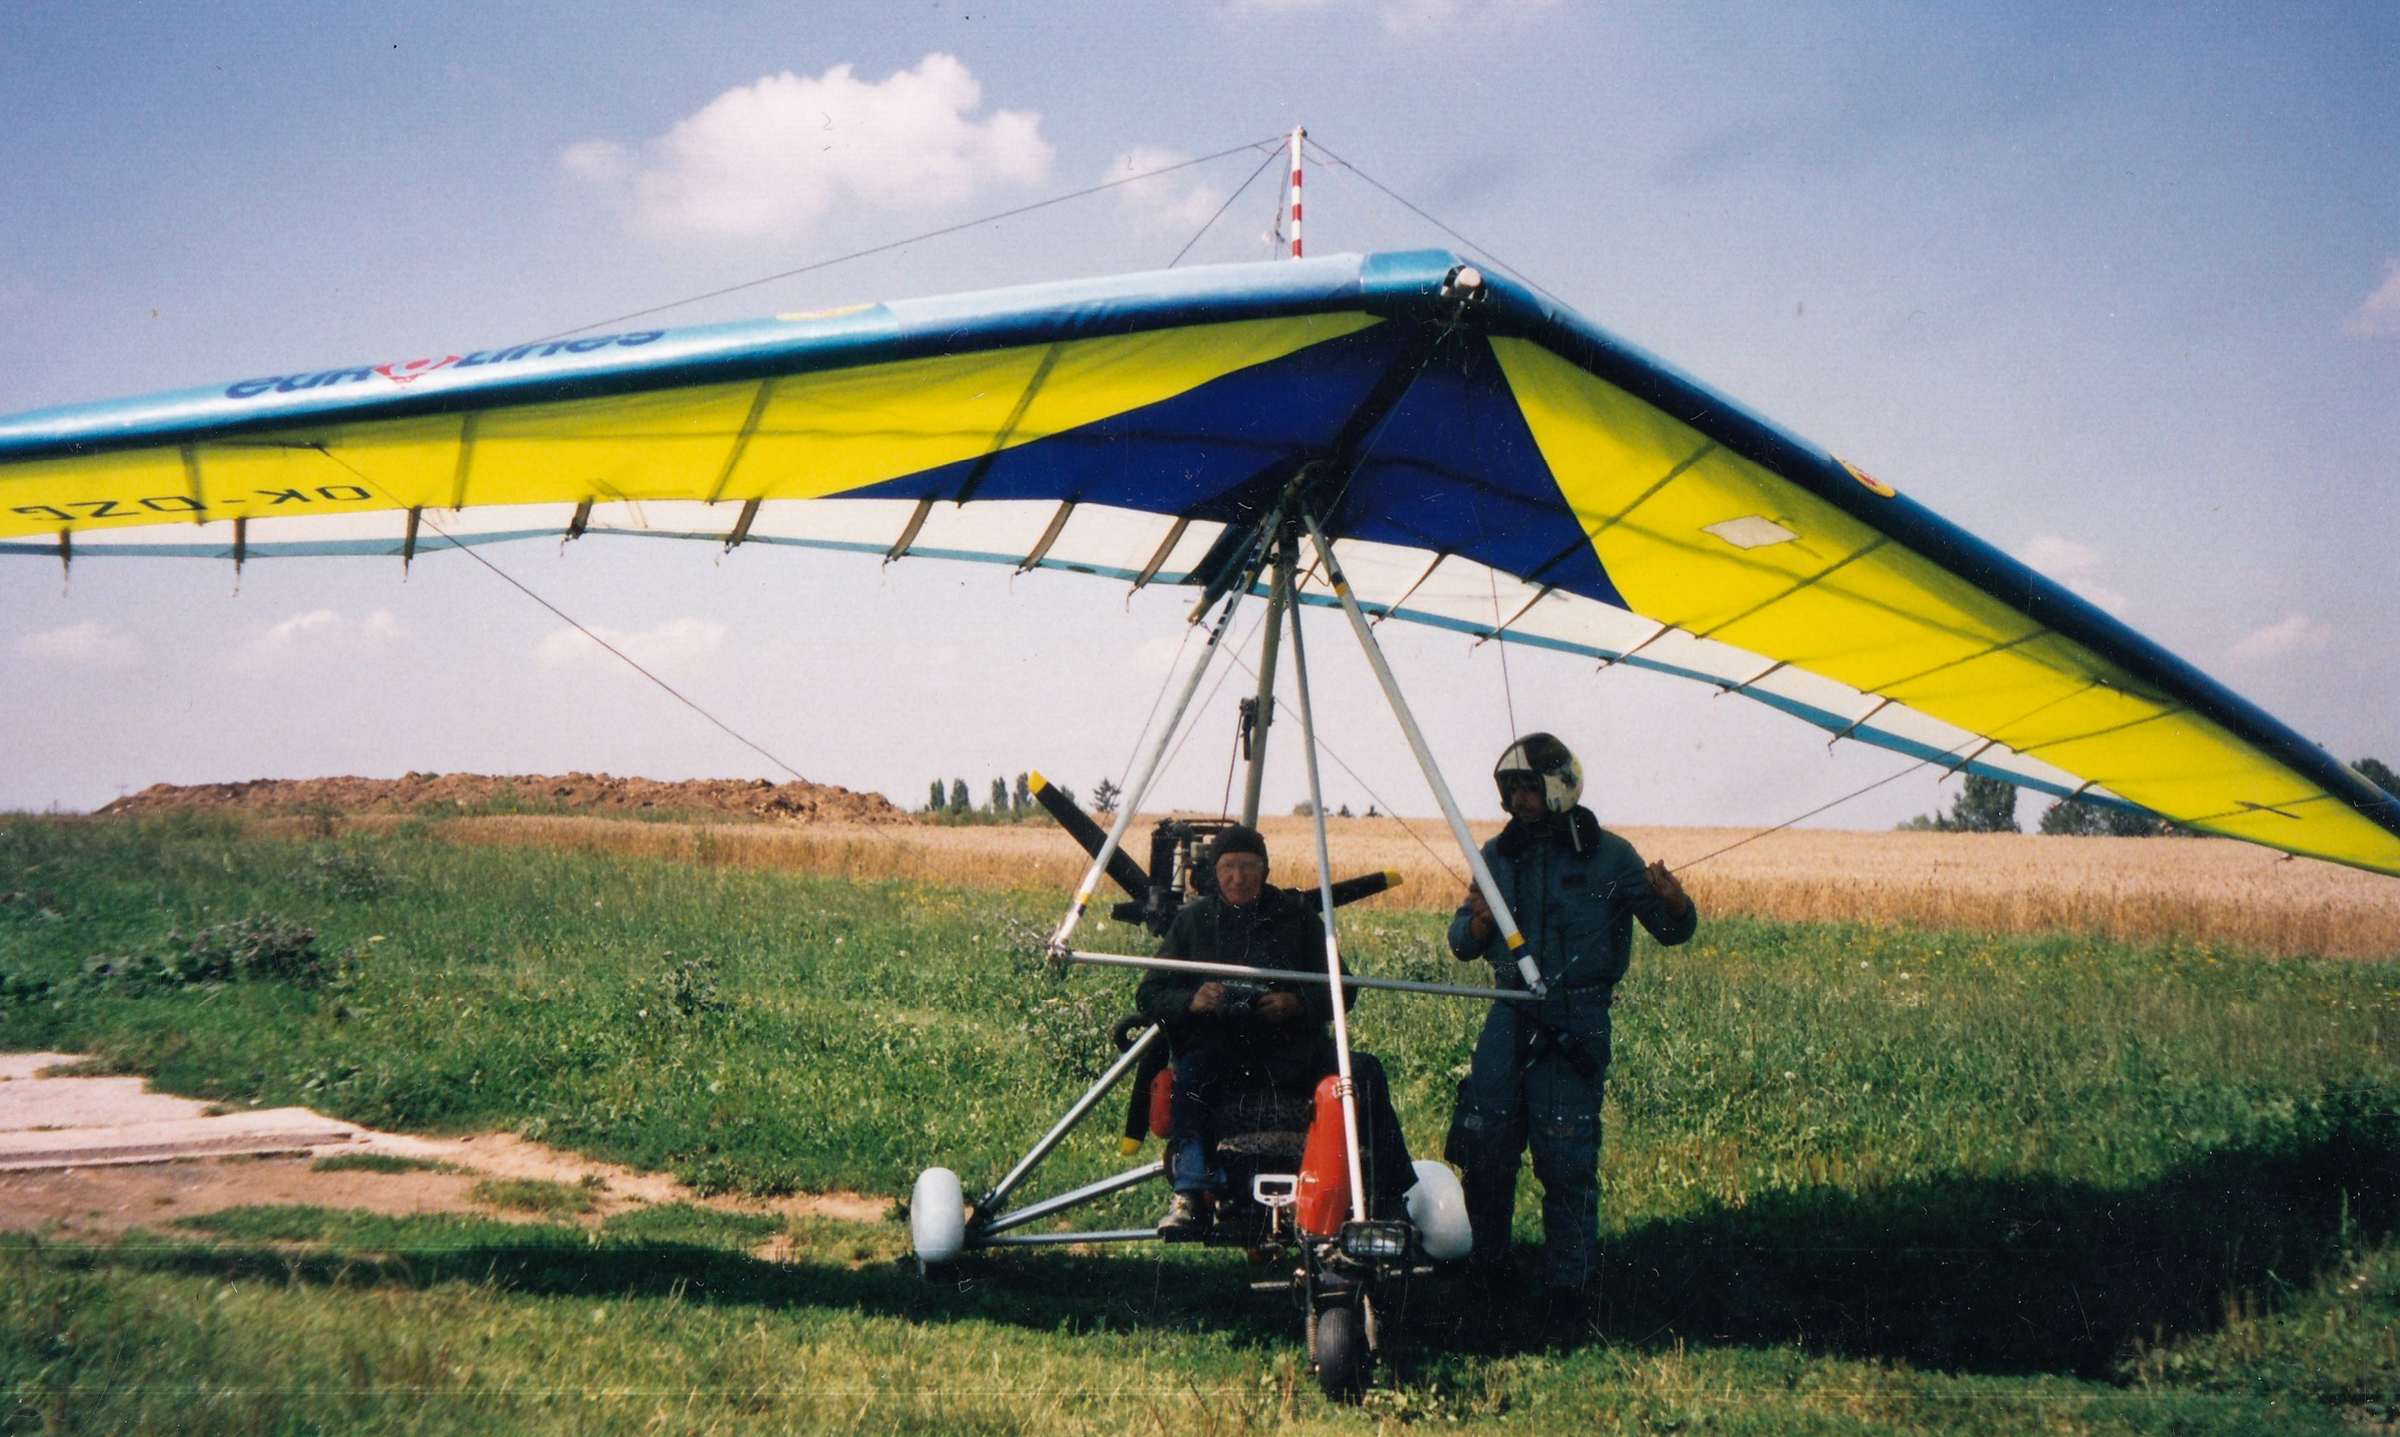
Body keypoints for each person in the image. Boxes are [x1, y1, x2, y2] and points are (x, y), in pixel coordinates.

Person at [1445, 733, 1695, 1337]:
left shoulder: (1610, 857)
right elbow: (1459, 944)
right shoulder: (1496, 855)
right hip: (1508, 1014)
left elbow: (1671, 930)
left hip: (1574, 1017)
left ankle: (1567, 1291)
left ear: (1559, 787)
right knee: (1486, 1151)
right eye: (1511, 791)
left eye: (1529, 788)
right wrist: (1477, 923)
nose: (1519, 801)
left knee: (1566, 1160)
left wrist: (1676, 903)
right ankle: (1490, 1271)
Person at [1135, 824, 1414, 1239]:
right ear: (1215, 872)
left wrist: (1298, 1003)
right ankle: (1191, 1195)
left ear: (1265, 869)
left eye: (1248, 867)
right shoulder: (1193, 921)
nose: (1238, 877)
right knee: (1191, 1076)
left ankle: (1389, 1195)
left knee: (1364, 1071)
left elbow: (1344, 988)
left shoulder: (1297, 918)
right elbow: (1150, 993)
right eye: (1228, 867)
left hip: (1292, 1051)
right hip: (1222, 1051)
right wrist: (1192, 1001)